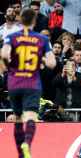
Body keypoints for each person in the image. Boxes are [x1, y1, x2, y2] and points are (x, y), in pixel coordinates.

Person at [1, 9, 56, 158]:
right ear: (34, 21)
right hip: (32, 83)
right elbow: (52, 63)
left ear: (20, 20)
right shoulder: (42, 39)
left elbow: (4, 54)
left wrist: (9, 65)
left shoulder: (11, 37)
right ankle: (27, 143)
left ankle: (21, 154)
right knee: (31, 116)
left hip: (14, 82)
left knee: (17, 118)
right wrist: (42, 59)